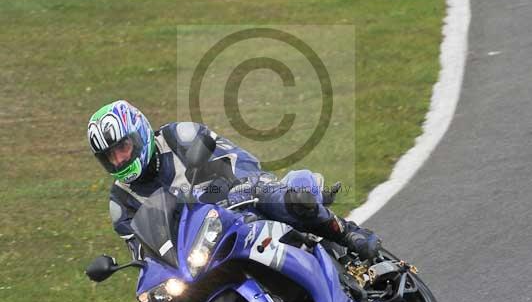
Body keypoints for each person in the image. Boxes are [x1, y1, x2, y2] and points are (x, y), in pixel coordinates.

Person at [87, 99, 381, 269]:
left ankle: (346, 234)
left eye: (122, 147)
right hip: (198, 250)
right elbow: (143, 252)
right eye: (109, 156)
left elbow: (235, 159)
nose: (118, 159)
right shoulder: (121, 202)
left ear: (139, 133)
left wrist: (232, 186)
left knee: (287, 200)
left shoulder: (179, 137)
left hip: (239, 197)